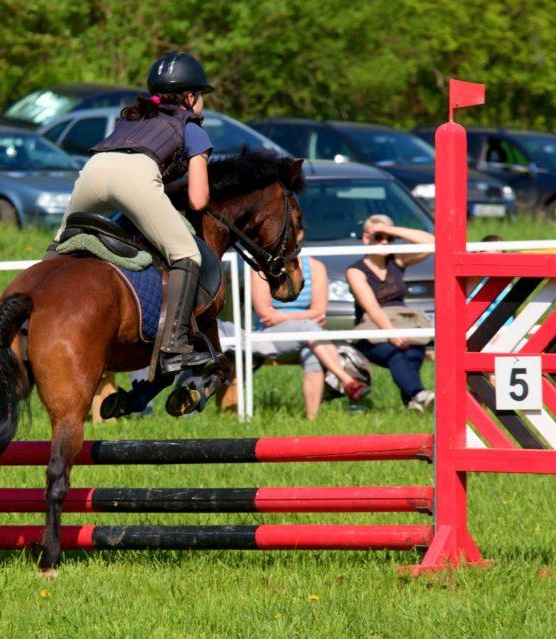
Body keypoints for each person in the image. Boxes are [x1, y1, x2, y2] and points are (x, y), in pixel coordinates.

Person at [59, 51, 215, 375]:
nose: (203, 102)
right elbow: (198, 200)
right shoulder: (192, 127)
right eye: (201, 95)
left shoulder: (132, 116)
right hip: (135, 178)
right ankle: (174, 346)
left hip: (92, 171)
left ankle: (27, 316)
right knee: (187, 254)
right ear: (189, 98)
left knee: (62, 243)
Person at [250, 231, 370, 419]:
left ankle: (311, 420)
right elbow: (265, 313)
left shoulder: (315, 267)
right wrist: (305, 319)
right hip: (270, 337)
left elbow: (319, 311)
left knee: (312, 354)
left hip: (308, 337)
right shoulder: (261, 268)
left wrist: (284, 317)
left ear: (299, 234)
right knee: (309, 328)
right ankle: (346, 379)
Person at [345, 215, 435, 411]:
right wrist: (392, 333)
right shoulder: (355, 271)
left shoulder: (398, 260)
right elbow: (372, 307)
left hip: (402, 323)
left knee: (414, 352)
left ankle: (413, 401)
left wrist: (390, 229)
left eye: (389, 238)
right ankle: (418, 395)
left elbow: (431, 242)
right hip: (372, 330)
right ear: (366, 238)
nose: (385, 242)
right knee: (396, 353)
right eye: (379, 237)